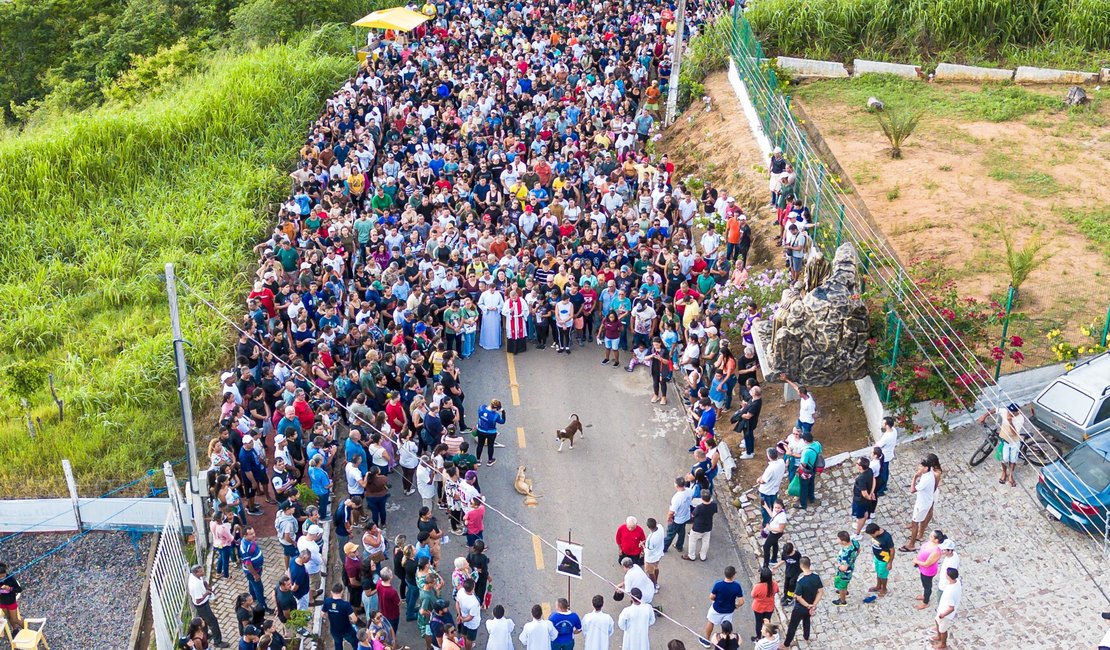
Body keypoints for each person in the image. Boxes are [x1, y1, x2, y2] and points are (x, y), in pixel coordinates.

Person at [782, 557, 822, 648]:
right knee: (806, 620)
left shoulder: (801, 581)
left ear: (801, 566)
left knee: (793, 625)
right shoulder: (816, 576)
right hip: (811, 604)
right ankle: (806, 637)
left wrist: (808, 605)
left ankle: (786, 644)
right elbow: (820, 592)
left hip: (800, 607)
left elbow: (798, 597)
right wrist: (813, 605)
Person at [187, 565, 230, 648]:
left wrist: (206, 586)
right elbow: (198, 600)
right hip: (202, 606)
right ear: (196, 572)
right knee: (213, 622)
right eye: (201, 571)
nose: (203, 572)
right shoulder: (194, 585)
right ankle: (218, 641)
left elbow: (203, 582)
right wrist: (207, 593)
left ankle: (205, 634)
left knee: (204, 620)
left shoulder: (194, 576)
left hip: (203, 604)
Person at [702, 566, 744, 648]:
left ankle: (707, 640)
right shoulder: (737, 586)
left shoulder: (718, 584)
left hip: (717, 608)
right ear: (733, 575)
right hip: (729, 610)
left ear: (725, 574)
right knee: (726, 627)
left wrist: (716, 599)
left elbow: (711, 597)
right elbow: (741, 601)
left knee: (710, 621)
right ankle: (726, 643)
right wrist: (736, 605)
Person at [901, 458, 936, 552]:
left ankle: (911, 544)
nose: (919, 468)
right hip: (926, 501)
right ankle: (920, 535)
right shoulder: (929, 473)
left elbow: (912, 490)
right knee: (922, 519)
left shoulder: (926, 480)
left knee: (915, 522)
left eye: (921, 466)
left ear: (926, 468)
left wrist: (915, 477)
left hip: (922, 504)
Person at [912, 530, 945, 610]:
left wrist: (916, 561)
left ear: (936, 540)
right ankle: (924, 596)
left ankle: (925, 602)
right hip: (922, 567)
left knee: (927, 586)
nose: (929, 536)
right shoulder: (930, 543)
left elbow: (927, 564)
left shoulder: (936, 551)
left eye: (931, 536)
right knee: (924, 584)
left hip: (928, 571)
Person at [323, 583, 359, 650]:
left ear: (331, 592)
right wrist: (352, 621)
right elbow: (354, 619)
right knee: (355, 643)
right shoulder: (345, 605)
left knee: (338, 645)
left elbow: (322, 614)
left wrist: (330, 616)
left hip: (334, 630)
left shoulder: (327, 601)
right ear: (342, 592)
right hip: (347, 630)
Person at [663, 478, 694, 554]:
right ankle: (679, 546)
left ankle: (664, 548)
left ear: (676, 485)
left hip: (677, 519)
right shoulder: (689, 491)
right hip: (686, 516)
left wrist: (669, 519)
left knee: (670, 534)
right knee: (681, 532)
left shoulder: (677, 498)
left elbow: (671, 512)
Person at [756, 447, 786, 526]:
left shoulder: (770, 469)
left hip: (765, 492)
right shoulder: (781, 462)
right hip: (775, 490)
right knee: (774, 507)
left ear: (769, 457)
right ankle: (776, 519)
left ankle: (766, 523)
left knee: (765, 508)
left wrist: (758, 480)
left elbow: (763, 481)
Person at [933, 568, 961, 650]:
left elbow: (951, 608)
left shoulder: (950, 592)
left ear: (949, 576)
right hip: (942, 608)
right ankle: (938, 637)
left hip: (945, 613)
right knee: (937, 622)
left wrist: (943, 614)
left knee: (943, 629)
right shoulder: (957, 582)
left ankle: (943, 644)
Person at [831, 530, 860, 607]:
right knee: (845, 583)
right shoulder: (854, 542)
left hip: (844, 574)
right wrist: (853, 559)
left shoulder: (845, 554)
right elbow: (859, 550)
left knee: (841, 585)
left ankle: (842, 600)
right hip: (851, 567)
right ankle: (845, 591)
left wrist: (838, 565)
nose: (837, 540)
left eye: (838, 539)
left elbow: (844, 568)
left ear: (843, 542)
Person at [866, 522, 895, 598]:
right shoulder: (875, 534)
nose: (871, 536)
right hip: (877, 557)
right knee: (879, 572)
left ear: (876, 531)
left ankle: (884, 589)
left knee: (883, 575)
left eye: (872, 534)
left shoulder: (886, 537)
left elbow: (892, 550)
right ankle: (878, 586)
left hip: (884, 560)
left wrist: (889, 563)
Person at [686, 492, 718, 562]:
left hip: (697, 527)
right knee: (706, 541)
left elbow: (693, 515)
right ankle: (703, 556)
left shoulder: (699, 507)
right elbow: (715, 511)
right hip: (708, 526)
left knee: (692, 540)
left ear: (702, 499)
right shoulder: (714, 505)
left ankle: (691, 556)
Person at [749, 568, 778, 642]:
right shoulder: (774, 584)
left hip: (758, 607)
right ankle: (766, 635)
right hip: (769, 607)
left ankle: (758, 637)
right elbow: (777, 591)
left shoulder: (758, 586)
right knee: (766, 622)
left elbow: (753, 595)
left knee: (758, 623)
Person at [852, 457, 877, 537]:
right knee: (865, 513)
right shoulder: (870, 470)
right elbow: (874, 480)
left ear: (860, 467)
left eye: (857, 463)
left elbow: (864, 493)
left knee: (861, 517)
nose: (856, 464)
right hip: (866, 500)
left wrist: (869, 497)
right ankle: (861, 525)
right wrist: (872, 492)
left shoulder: (861, 479)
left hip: (861, 500)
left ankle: (857, 534)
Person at [475, 399, 506, 466]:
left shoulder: (481, 408)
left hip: (480, 430)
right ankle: (490, 460)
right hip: (491, 433)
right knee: (490, 446)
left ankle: (478, 460)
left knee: (480, 445)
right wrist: (503, 412)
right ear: (495, 408)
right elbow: (502, 421)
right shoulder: (495, 416)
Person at [796, 432, 821, 510]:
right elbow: (820, 452)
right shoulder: (817, 444)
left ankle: (803, 504)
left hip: (806, 471)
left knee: (803, 487)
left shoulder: (806, 451)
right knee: (811, 483)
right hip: (813, 468)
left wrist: (798, 470)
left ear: (805, 441)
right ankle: (811, 498)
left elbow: (803, 464)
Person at [455, 578, 482, 650]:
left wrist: (459, 615)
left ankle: (464, 642)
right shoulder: (474, 602)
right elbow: (471, 617)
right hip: (472, 623)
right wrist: (463, 619)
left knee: (463, 633)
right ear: (473, 588)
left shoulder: (460, 592)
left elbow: (457, 603)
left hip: (463, 616)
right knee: (470, 639)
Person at [874, 416, 898, 496]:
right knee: (885, 471)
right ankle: (883, 487)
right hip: (889, 454)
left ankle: (880, 490)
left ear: (887, 425)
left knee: (882, 473)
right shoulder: (894, 430)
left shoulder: (886, 437)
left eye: (883, 423)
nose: (882, 424)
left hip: (884, 456)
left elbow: (878, 445)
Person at [774, 542, 801, 607]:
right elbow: (783, 560)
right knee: (786, 585)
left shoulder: (797, 554)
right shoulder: (784, 554)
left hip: (795, 573)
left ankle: (789, 599)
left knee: (792, 586)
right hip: (788, 572)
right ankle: (785, 595)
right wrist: (776, 566)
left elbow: (801, 562)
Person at [761, 501, 787, 568]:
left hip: (776, 533)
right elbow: (773, 515)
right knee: (775, 543)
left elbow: (780, 529)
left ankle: (765, 565)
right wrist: (766, 506)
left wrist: (770, 528)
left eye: (778, 508)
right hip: (773, 531)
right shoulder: (776, 512)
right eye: (775, 507)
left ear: (782, 507)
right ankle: (774, 559)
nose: (776, 509)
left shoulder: (782, 517)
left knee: (766, 547)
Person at [643, 518, 664, 587]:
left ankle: (654, 585)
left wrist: (642, 546)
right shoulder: (660, 528)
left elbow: (648, 551)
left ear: (649, 527)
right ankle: (656, 581)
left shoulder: (650, 539)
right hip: (659, 554)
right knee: (656, 568)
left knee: (650, 572)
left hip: (651, 558)